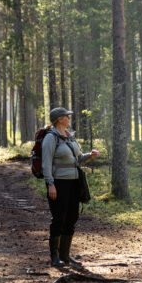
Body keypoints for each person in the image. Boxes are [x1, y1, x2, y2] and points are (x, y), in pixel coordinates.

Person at [41, 107, 100, 269]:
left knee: (72, 217)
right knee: (59, 218)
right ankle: (54, 257)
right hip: (58, 183)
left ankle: (65, 255)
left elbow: (78, 159)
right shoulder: (50, 138)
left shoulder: (69, 136)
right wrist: (50, 184)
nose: (69, 118)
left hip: (74, 183)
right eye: (66, 116)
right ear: (59, 119)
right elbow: (46, 163)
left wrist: (89, 155)